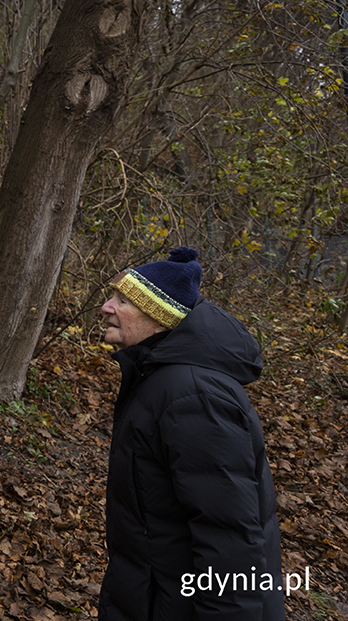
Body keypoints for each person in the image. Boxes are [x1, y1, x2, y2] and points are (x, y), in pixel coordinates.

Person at [98, 246, 283, 620]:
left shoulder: (194, 396)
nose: (106, 307)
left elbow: (228, 538)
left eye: (123, 301)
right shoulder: (158, 377)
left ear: (159, 317)